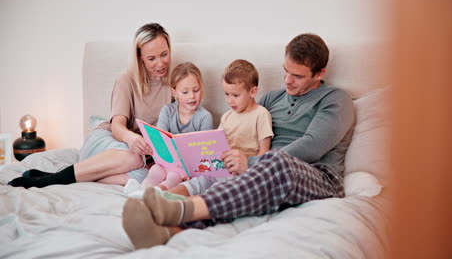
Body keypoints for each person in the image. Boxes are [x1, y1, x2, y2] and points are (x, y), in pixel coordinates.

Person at [122, 33, 356, 249]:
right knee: (226, 182)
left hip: (318, 176)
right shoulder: (273, 98)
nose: (287, 80)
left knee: (277, 163)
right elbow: (250, 128)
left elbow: (312, 145)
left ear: (320, 73)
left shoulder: (336, 100)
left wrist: (252, 163)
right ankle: (168, 230)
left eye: (297, 76)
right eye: (285, 71)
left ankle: (179, 207)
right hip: (267, 174)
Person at [8, 23, 173, 188]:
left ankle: (58, 176)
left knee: (148, 175)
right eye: (152, 58)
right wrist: (131, 138)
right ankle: (48, 181)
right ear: (140, 58)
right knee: (134, 158)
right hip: (111, 142)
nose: (160, 63)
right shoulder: (127, 80)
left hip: (140, 154)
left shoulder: (175, 83)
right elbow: (117, 126)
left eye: (164, 54)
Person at [169, 59, 273, 197]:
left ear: (252, 92)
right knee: (196, 182)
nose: (229, 100)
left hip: (241, 172)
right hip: (219, 167)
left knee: (218, 189)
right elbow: (214, 147)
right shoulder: (226, 117)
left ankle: (192, 206)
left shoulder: (261, 114)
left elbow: (264, 155)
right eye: (226, 94)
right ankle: (160, 196)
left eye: (235, 95)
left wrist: (246, 166)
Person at [141, 62, 213, 189]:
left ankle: (159, 192)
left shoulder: (204, 117)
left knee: (174, 176)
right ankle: (140, 190)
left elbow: (204, 153)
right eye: (185, 92)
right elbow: (159, 142)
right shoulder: (167, 111)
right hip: (167, 162)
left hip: (189, 168)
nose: (192, 96)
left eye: (196, 90)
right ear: (174, 93)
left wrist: (187, 171)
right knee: (156, 170)